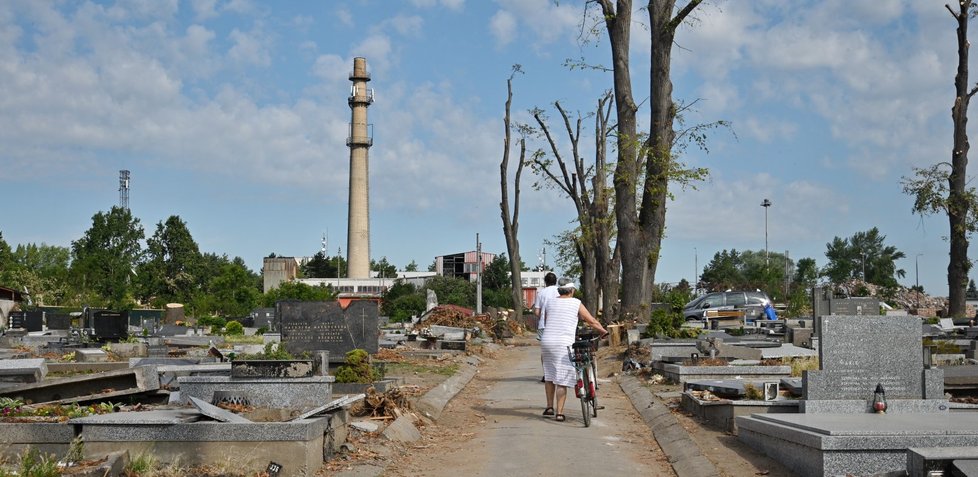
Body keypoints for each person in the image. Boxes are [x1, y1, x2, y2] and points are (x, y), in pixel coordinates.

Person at [540, 278, 607, 422]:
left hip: (547, 341)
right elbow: (591, 321)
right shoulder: (576, 302)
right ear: (572, 291)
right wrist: (602, 331)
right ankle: (559, 413)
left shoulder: (549, 302)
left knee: (550, 375)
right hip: (563, 343)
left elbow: (547, 321)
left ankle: (549, 407)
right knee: (561, 378)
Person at [533, 272, 559, 382]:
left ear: (545, 282)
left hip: (544, 325)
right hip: (558, 324)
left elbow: (537, 311)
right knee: (558, 349)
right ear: (556, 281)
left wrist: (542, 317)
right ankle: (557, 372)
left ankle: (547, 374)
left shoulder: (541, 293)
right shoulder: (560, 291)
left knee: (545, 351)